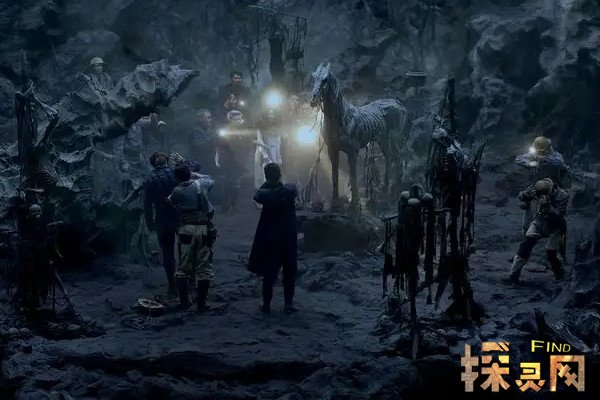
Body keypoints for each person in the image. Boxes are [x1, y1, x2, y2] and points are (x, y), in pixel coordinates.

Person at [248, 163, 298, 314]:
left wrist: (269, 182)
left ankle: (266, 305)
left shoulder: (265, 194)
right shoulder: (290, 190)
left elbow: (257, 195)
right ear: (279, 174)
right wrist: (277, 182)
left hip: (271, 240)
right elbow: (290, 188)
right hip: (288, 239)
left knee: (269, 274)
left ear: (266, 176)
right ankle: (288, 305)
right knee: (289, 273)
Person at [168, 162, 217, 311]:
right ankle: (202, 304)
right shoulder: (202, 184)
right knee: (204, 267)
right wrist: (195, 174)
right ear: (189, 173)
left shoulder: (177, 191)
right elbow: (210, 178)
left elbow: (171, 202)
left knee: (183, 267)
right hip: (203, 229)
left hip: (186, 229)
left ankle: (184, 301)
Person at [509, 178, 568, 283]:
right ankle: (513, 275)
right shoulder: (537, 188)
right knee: (525, 245)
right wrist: (525, 195)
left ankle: (560, 278)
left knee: (551, 253)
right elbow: (522, 198)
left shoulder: (562, 195)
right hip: (539, 221)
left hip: (555, 227)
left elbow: (559, 216)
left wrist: (547, 206)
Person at [143, 152, 179, 293]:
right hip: (179, 216)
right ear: (167, 161)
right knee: (185, 248)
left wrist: (149, 222)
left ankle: (172, 285)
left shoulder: (150, 179)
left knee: (167, 252)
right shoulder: (175, 173)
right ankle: (189, 279)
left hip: (162, 218)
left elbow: (147, 204)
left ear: (153, 164)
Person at [255, 108, 285, 190]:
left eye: (273, 114)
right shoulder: (261, 128)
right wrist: (265, 155)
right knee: (265, 176)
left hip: (276, 154)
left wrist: (279, 158)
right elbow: (259, 142)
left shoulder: (278, 128)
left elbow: (279, 143)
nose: (271, 116)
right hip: (265, 155)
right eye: (269, 114)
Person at [189, 109, 218, 175]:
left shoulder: (204, 131)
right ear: (200, 119)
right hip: (202, 168)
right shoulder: (196, 132)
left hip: (205, 167)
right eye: (208, 117)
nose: (210, 120)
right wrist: (212, 139)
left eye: (210, 118)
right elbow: (200, 147)